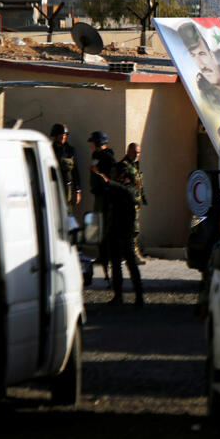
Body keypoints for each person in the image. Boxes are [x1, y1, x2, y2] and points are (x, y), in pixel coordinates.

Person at [107, 158, 144, 308]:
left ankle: (139, 297)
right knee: (116, 265)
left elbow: (127, 192)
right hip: (115, 230)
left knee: (131, 265)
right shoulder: (116, 189)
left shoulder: (128, 188)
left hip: (125, 231)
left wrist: (109, 182)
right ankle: (118, 296)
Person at [88, 131, 116, 285]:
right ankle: (102, 256)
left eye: (93, 142)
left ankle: (107, 259)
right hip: (98, 196)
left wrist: (98, 173)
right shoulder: (96, 155)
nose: (91, 144)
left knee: (104, 229)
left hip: (105, 197)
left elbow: (111, 176)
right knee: (98, 228)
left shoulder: (108, 157)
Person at [116, 143, 148, 264]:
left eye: (139, 152)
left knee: (133, 230)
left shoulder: (134, 166)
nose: (137, 155)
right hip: (125, 205)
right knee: (127, 230)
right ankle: (129, 255)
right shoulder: (123, 166)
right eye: (135, 152)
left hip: (134, 204)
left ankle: (131, 254)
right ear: (128, 151)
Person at [50, 123, 82, 210]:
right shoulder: (48, 150)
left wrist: (77, 191)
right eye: (61, 135)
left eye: (65, 135)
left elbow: (75, 171)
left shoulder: (70, 151)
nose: (63, 137)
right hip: (52, 187)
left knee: (67, 212)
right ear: (55, 136)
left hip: (67, 188)